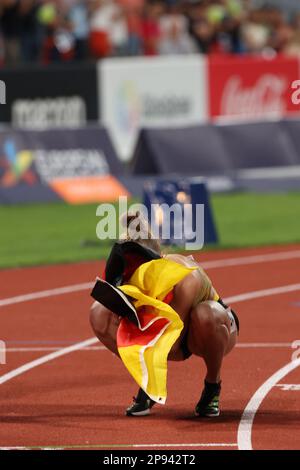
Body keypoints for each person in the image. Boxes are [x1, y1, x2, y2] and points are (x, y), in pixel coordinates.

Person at [90, 212, 239, 417]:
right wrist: (124, 310)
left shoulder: (186, 278)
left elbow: (173, 343)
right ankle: (147, 385)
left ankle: (212, 386)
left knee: (206, 315)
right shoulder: (129, 277)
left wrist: (136, 336)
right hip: (162, 327)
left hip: (206, 330)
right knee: (99, 313)